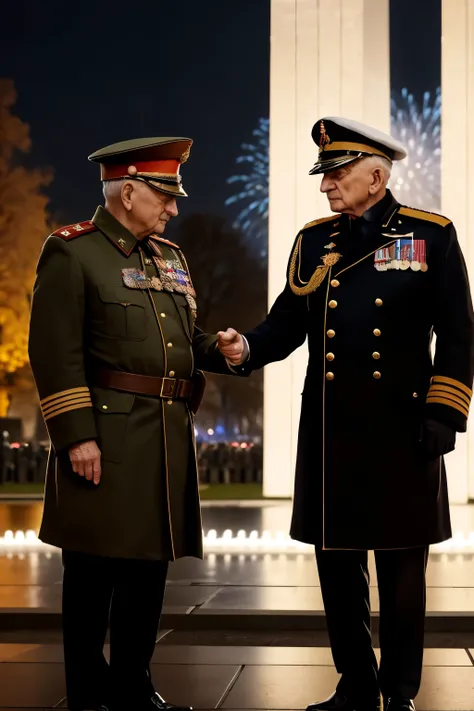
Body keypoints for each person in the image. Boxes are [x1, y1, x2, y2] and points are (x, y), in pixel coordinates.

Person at [217, 117, 474, 711]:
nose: (326, 185)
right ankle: (356, 686)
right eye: (326, 174)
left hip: (406, 431)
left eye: (336, 174)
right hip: (332, 432)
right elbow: (287, 322)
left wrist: (445, 412)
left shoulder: (430, 236)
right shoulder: (314, 242)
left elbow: (459, 334)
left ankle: (401, 692)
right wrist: (247, 348)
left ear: (377, 178)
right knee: (337, 569)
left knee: (404, 573)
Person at [28, 137, 244, 711]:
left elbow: (179, 343)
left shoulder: (169, 258)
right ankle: (85, 693)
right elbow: (54, 352)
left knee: (148, 573)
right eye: (164, 196)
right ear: (128, 191)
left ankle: (131, 682)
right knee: (92, 576)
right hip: (105, 438)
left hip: (164, 440)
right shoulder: (72, 252)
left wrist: (216, 349)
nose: (173, 208)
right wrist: (76, 437)